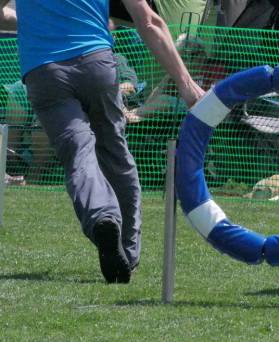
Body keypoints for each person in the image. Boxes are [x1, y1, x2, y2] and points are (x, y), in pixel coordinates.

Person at [0, 0, 205, 283]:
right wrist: (187, 84)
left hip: (44, 70)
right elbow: (149, 21)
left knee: (78, 153)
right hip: (95, 62)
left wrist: (35, 20)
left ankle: (101, 218)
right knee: (115, 152)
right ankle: (127, 253)